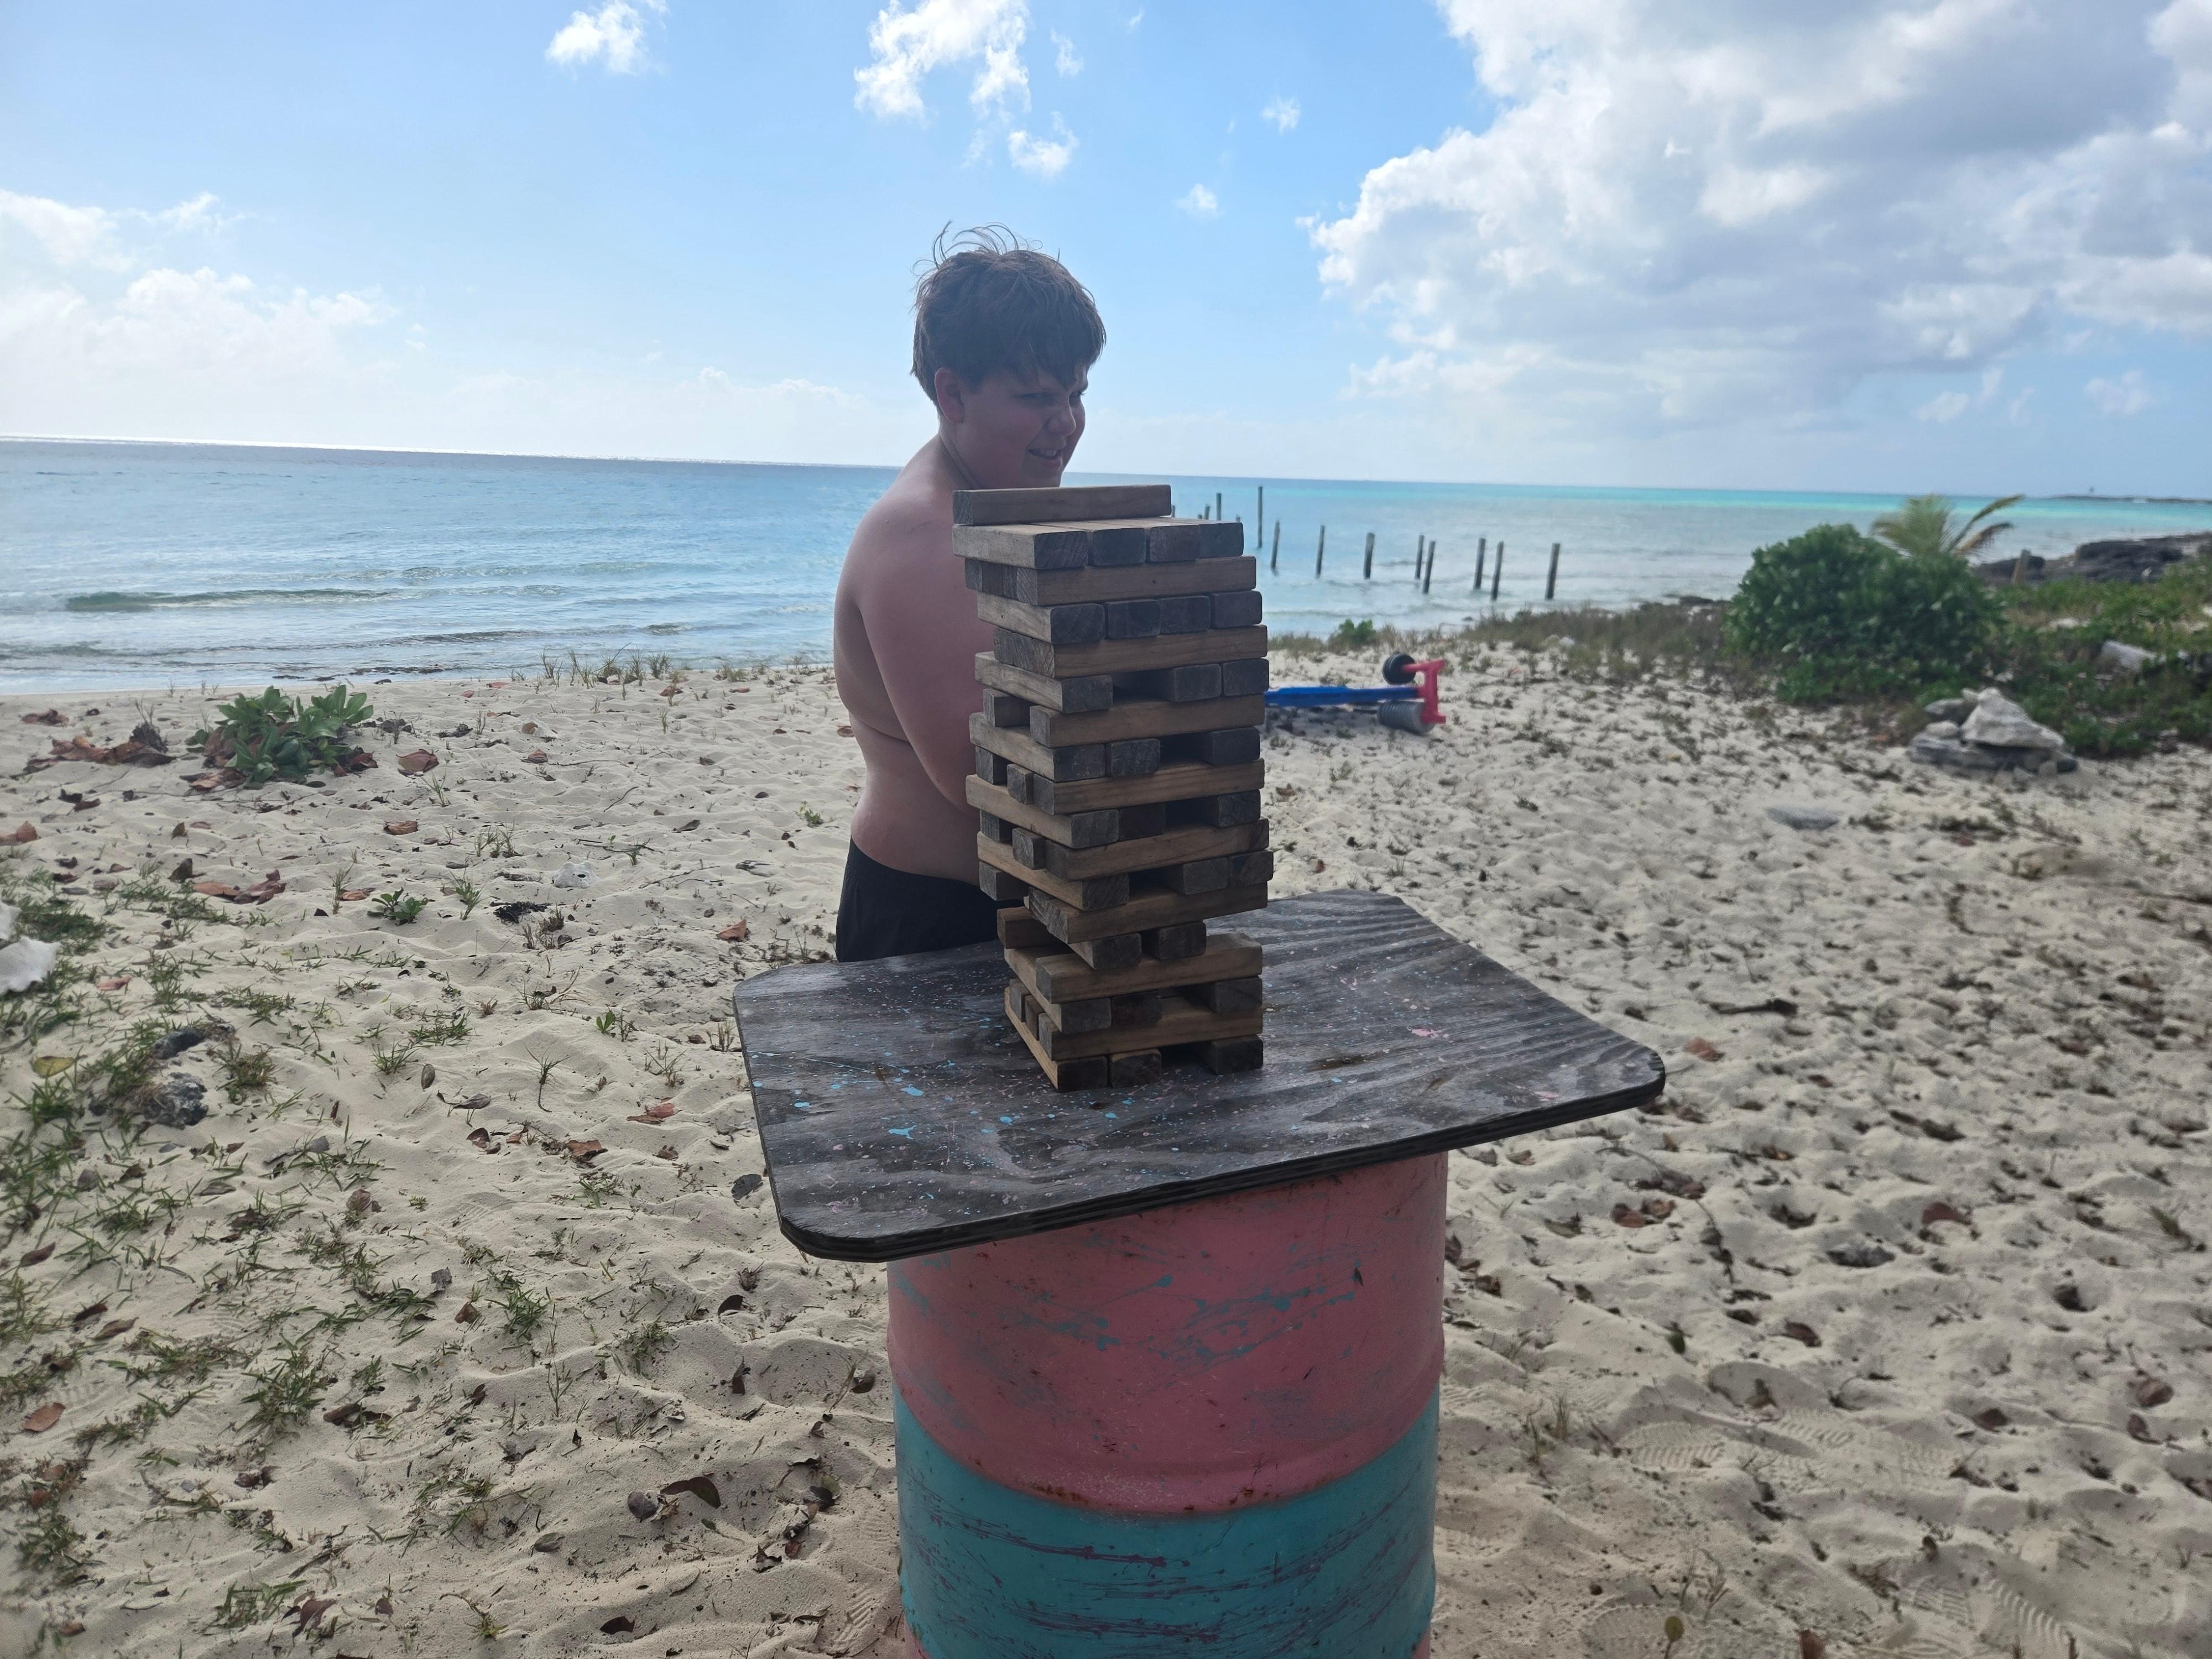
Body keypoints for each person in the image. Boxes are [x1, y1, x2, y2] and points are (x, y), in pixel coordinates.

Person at [831, 228, 1106, 962]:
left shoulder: (999, 507)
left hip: (1017, 900)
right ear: (952, 393)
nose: (1065, 423)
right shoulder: (920, 532)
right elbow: (986, 771)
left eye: (1076, 394)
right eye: (1036, 397)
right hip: (933, 919)